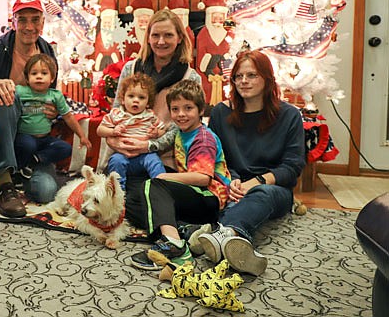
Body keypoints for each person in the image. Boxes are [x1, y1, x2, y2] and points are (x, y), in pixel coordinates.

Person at [195, 50, 305, 276]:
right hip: (232, 185)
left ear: (267, 78)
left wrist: (255, 182)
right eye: (238, 76)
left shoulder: (290, 115)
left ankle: (225, 234)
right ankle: (234, 244)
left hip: (273, 189)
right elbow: (218, 158)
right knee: (217, 199)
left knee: (262, 194)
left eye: (252, 75)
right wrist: (234, 181)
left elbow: (292, 166)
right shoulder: (220, 114)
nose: (244, 81)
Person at [0, 0, 58, 218]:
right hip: (0, 130)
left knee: (46, 192)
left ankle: (15, 170)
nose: (29, 27)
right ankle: (5, 183)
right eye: (22, 20)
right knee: (6, 95)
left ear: (43, 22)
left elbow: (53, 95)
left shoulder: (47, 52)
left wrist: (54, 113)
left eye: (35, 20)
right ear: (13, 22)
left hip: (32, 136)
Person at [128, 78, 231, 269]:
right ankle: (186, 230)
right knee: (134, 199)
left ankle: (173, 245)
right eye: (175, 109)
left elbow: (202, 178)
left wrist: (164, 178)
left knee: (154, 185)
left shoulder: (203, 138)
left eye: (188, 108)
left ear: (201, 110)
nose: (181, 114)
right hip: (193, 193)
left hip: (210, 197)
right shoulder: (181, 131)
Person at [105, 8, 201, 170]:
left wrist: (150, 145)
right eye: (155, 35)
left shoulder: (190, 77)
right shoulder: (131, 68)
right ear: (148, 38)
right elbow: (116, 111)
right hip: (124, 153)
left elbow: (184, 126)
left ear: (179, 38)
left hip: (166, 161)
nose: (161, 41)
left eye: (168, 35)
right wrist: (114, 141)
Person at [14, 54, 92, 189]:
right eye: (34, 73)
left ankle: (34, 161)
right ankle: (18, 171)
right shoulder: (20, 91)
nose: (39, 76)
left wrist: (82, 136)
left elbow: (68, 116)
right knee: (28, 145)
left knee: (66, 148)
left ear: (52, 78)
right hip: (25, 136)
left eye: (44, 73)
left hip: (45, 139)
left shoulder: (55, 95)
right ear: (27, 78)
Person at [97, 73, 168, 190]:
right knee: (115, 161)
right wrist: (113, 131)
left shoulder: (150, 116)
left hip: (144, 156)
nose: (136, 101)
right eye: (131, 96)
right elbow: (100, 130)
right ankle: (119, 192)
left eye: (141, 98)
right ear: (123, 100)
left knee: (155, 160)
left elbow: (163, 130)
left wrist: (156, 133)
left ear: (148, 102)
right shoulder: (116, 114)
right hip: (122, 155)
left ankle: (161, 187)